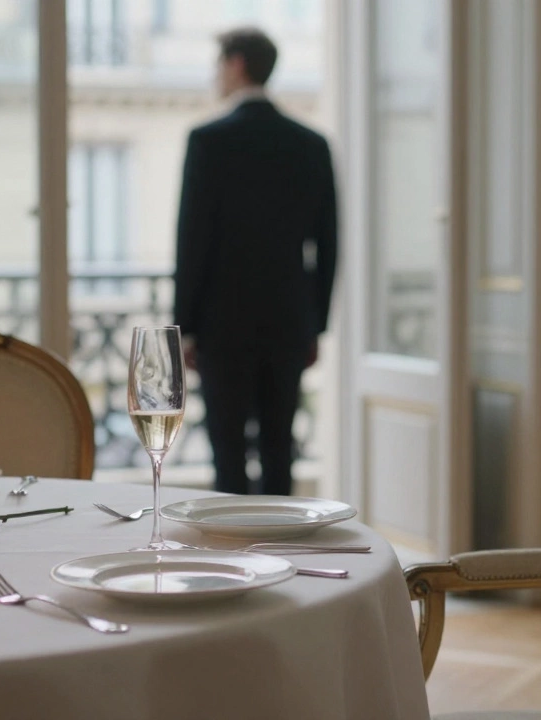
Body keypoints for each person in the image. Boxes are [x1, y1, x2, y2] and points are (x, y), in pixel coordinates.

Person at [173, 27, 337, 496]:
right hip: (288, 321)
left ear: (237, 63)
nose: (215, 75)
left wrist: (185, 327)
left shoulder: (208, 140)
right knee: (279, 449)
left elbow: (193, 241)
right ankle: (281, 555)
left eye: (218, 64)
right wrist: (316, 325)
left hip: (223, 325)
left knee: (226, 453)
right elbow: (328, 244)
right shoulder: (310, 144)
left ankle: (231, 555)